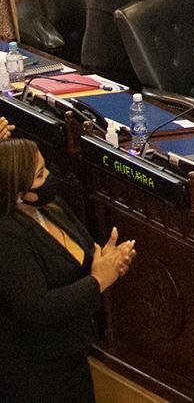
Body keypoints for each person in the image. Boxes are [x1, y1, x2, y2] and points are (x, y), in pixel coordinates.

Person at [0, 137, 137, 403]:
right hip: (34, 375)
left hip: (72, 355)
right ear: (17, 191)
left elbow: (82, 253)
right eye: (40, 175)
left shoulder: (50, 207)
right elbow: (37, 308)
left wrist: (109, 260)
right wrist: (98, 280)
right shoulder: (6, 238)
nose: (49, 177)